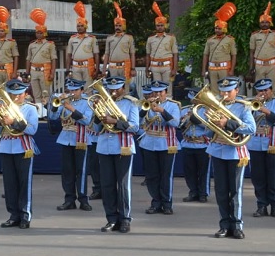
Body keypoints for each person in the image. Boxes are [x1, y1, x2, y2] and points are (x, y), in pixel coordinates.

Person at [203, 77, 256, 239]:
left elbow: (251, 129)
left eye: (228, 91)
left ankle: (237, 225)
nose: (225, 94)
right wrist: (209, 122)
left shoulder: (243, 107)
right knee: (221, 191)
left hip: (235, 153)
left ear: (236, 91)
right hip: (218, 151)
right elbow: (206, 132)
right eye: (222, 91)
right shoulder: (215, 105)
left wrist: (227, 123)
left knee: (235, 191)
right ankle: (224, 224)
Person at [93, 76, 140, 233]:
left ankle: (125, 219)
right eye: (111, 89)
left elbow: (135, 127)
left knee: (123, 185)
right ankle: (111, 219)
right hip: (105, 146)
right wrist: (96, 113)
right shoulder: (103, 103)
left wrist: (115, 122)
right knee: (107, 185)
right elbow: (95, 128)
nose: (113, 92)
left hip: (123, 147)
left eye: (117, 89)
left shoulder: (131, 103)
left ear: (123, 89)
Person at [0, 79, 39, 228]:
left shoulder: (30, 109)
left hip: (23, 147)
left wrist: (13, 122)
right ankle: (13, 215)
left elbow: (32, 130)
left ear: (25, 94)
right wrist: (0, 120)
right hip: (6, 147)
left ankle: (25, 216)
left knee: (24, 183)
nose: (15, 97)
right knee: (10, 184)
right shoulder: (5, 107)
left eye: (19, 94)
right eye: (12, 93)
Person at [48, 78, 94, 212]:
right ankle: (69, 200)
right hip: (65, 138)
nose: (72, 92)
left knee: (81, 171)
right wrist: (56, 105)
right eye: (71, 90)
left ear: (81, 90)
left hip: (81, 139)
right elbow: (52, 117)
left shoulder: (87, 102)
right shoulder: (64, 101)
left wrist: (71, 108)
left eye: (75, 90)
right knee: (67, 171)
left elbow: (86, 121)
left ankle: (83, 200)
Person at [139, 81, 181, 215]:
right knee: (152, 175)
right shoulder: (146, 106)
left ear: (166, 92)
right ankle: (155, 202)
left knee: (166, 175)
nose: (157, 95)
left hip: (166, 143)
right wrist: (145, 109)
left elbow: (175, 123)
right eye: (155, 92)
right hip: (149, 143)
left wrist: (162, 110)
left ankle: (167, 203)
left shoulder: (173, 105)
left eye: (160, 92)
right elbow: (138, 122)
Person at [246, 79, 275, 218]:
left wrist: (266, 111)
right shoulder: (250, 104)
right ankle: (261, 205)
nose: (263, 93)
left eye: (266, 90)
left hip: (274, 143)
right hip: (256, 143)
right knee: (258, 177)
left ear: (271, 90)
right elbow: (244, 123)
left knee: (274, 175)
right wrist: (251, 108)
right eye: (260, 91)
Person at [179, 87, 213, 203]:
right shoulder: (184, 110)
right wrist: (185, 120)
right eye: (192, 99)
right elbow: (179, 127)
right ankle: (193, 191)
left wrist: (196, 120)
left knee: (203, 171)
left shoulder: (206, 111)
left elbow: (210, 127)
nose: (193, 102)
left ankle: (203, 193)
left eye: (196, 99)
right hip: (188, 143)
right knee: (190, 171)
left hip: (202, 144)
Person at [202, 3, 238, 93]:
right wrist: (204, 69)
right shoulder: (210, 40)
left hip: (224, 68)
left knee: (225, 88)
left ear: (224, 29)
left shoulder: (230, 40)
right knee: (214, 90)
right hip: (212, 68)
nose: (217, 30)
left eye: (219, 28)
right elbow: (205, 55)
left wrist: (232, 70)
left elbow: (234, 55)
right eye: (216, 28)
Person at [26, 8, 57, 102]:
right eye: (37, 33)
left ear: (45, 33)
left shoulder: (50, 44)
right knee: (36, 94)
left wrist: (52, 73)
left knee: (45, 93)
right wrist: (27, 73)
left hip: (45, 71)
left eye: (40, 33)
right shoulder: (32, 44)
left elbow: (53, 59)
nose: (38, 35)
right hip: (33, 71)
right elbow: (28, 59)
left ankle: (46, 113)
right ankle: (39, 114)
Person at [249, 2, 275, 90]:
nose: (264, 24)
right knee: (259, 86)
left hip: (272, 65)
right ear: (259, 24)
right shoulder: (254, 35)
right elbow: (252, 52)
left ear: (270, 23)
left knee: (272, 87)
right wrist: (251, 67)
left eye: (267, 22)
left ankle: (272, 102)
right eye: (262, 22)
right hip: (259, 65)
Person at [66, 2, 100, 87]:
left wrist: (97, 69)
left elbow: (96, 55)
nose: (79, 27)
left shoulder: (92, 38)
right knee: (76, 88)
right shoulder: (72, 38)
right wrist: (67, 69)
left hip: (88, 67)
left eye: (81, 26)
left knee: (88, 88)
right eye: (78, 26)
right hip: (75, 67)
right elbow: (69, 55)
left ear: (85, 26)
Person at [145, 2, 178, 84]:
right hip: (154, 66)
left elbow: (175, 54)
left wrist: (174, 69)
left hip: (167, 66)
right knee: (157, 88)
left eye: (161, 25)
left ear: (165, 26)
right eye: (158, 25)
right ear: (155, 26)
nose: (160, 27)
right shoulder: (150, 39)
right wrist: (147, 69)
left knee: (168, 88)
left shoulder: (171, 38)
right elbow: (148, 55)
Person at [0, 6, 19, 87]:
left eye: (2, 31)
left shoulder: (11, 42)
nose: (0, 33)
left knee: (9, 90)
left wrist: (14, 72)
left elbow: (16, 57)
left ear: (5, 32)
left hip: (8, 70)